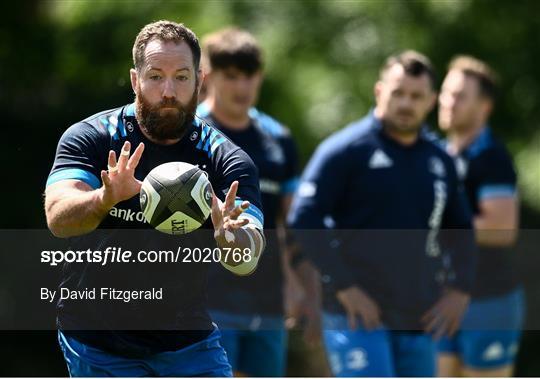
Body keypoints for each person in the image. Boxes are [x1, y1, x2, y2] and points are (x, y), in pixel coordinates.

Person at [44, 20, 265, 377]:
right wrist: (105, 198)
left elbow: (247, 259)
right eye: (155, 76)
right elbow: (58, 219)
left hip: (186, 336)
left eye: (181, 77)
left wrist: (231, 238)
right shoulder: (92, 138)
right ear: (135, 80)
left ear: (200, 80)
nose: (168, 91)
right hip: (98, 338)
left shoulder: (228, 160)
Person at [288, 51, 476, 377]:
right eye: (398, 93)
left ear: (431, 101)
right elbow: (304, 219)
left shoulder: (439, 160)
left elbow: (460, 227)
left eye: (416, 96)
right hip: (357, 316)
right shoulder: (345, 150)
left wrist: (461, 289)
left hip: (419, 317)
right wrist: (345, 287)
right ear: (379, 92)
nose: (406, 103)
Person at [197, 27, 321, 377]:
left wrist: (307, 289)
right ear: (210, 76)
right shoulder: (191, 133)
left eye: (249, 76)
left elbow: (291, 222)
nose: (241, 87)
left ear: (260, 77)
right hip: (205, 300)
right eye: (231, 76)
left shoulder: (278, 140)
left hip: (266, 301)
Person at [437, 56, 523, 377]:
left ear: (484, 107)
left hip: (488, 300)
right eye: (446, 93)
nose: (448, 102)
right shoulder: (441, 155)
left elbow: (501, 228)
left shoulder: (491, 157)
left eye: (460, 96)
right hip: (442, 300)